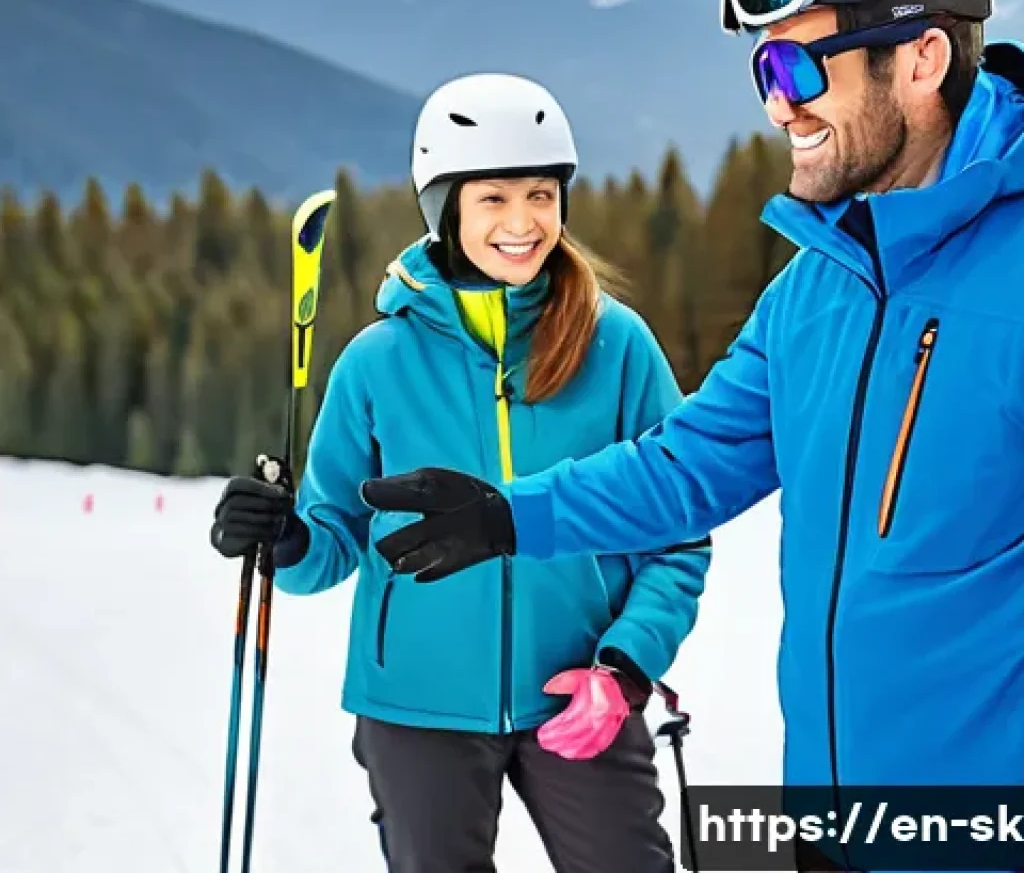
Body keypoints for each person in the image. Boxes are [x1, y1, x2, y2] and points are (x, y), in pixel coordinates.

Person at [360, 0, 1024, 872]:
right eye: (764, 68)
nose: (777, 102)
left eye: (801, 64)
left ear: (920, 60)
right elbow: (687, 462)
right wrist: (511, 517)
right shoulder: (817, 286)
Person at [209, 72, 710, 873]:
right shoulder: (377, 362)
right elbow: (331, 541)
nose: (524, 224)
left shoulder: (616, 346)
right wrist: (286, 538)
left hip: (578, 690)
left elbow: (677, 531)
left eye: (542, 196)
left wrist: (623, 666)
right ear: (444, 209)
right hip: (416, 704)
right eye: (494, 200)